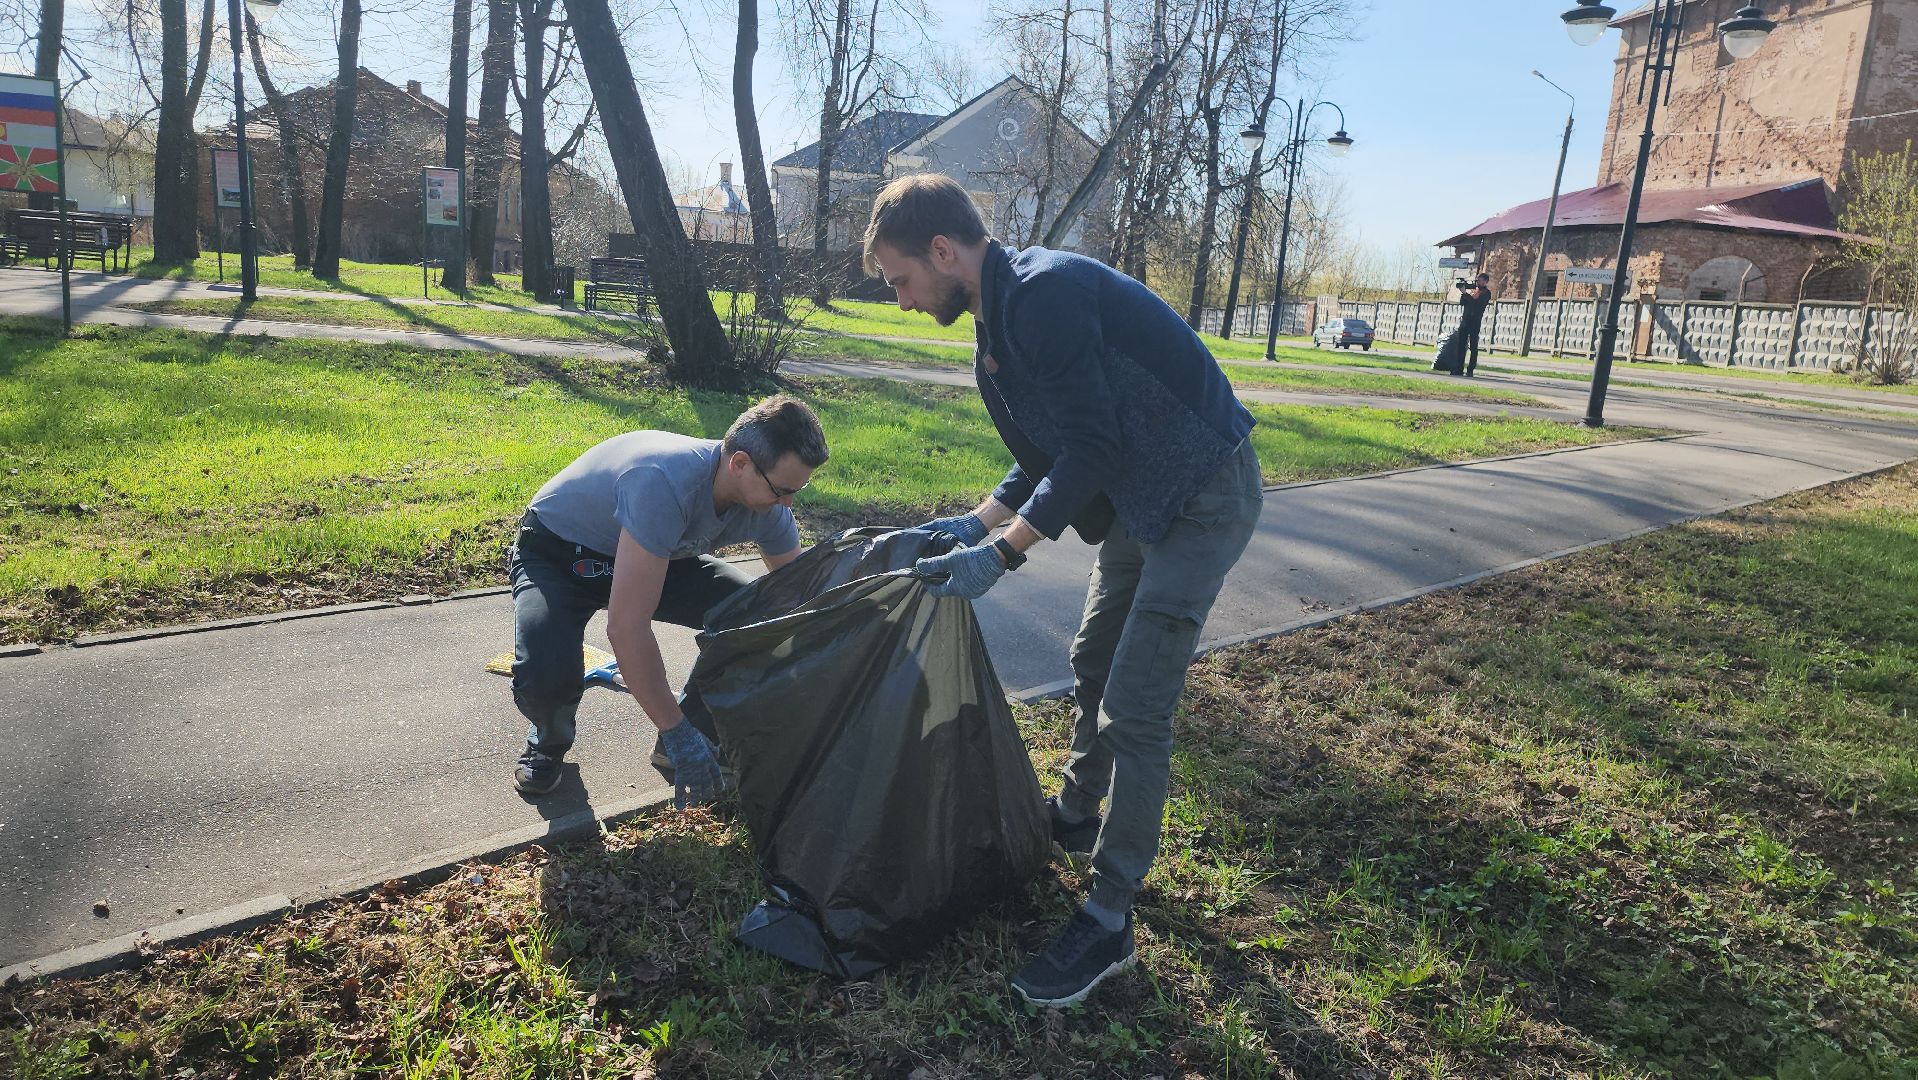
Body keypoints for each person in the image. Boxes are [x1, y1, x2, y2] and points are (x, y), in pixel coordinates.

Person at [864, 173, 1263, 1008]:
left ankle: (1110, 915)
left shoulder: (1043, 294)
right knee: (1090, 658)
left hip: (1200, 492)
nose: (901, 301)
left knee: (1135, 707)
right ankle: (1077, 813)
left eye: (901, 280)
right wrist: (976, 522)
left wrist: (1003, 554)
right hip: (1138, 494)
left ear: (943, 251)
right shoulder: (1002, 314)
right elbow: (1054, 445)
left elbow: (1090, 446)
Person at [507, 396, 827, 805]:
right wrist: (677, 733)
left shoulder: (768, 505)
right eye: (782, 490)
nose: (788, 505)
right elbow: (626, 628)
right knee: (547, 669)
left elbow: (796, 596)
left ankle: (695, 727)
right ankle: (549, 741)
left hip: (659, 554)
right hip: (561, 556)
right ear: (740, 464)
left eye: (796, 491)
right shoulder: (663, 481)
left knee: (758, 616)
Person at [1458, 272, 1494, 376]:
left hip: (1475, 322)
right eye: (1477, 280)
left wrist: (1466, 294)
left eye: (1480, 280)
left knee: (1473, 347)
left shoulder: (1486, 293)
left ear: (1486, 282)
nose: (1478, 282)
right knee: (1461, 345)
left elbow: (1477, 304)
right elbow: (1463, 303)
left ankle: (1470, 370)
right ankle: (1459, 368)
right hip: (1465, 320)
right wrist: (1463, 293)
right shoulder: (1473, 291)